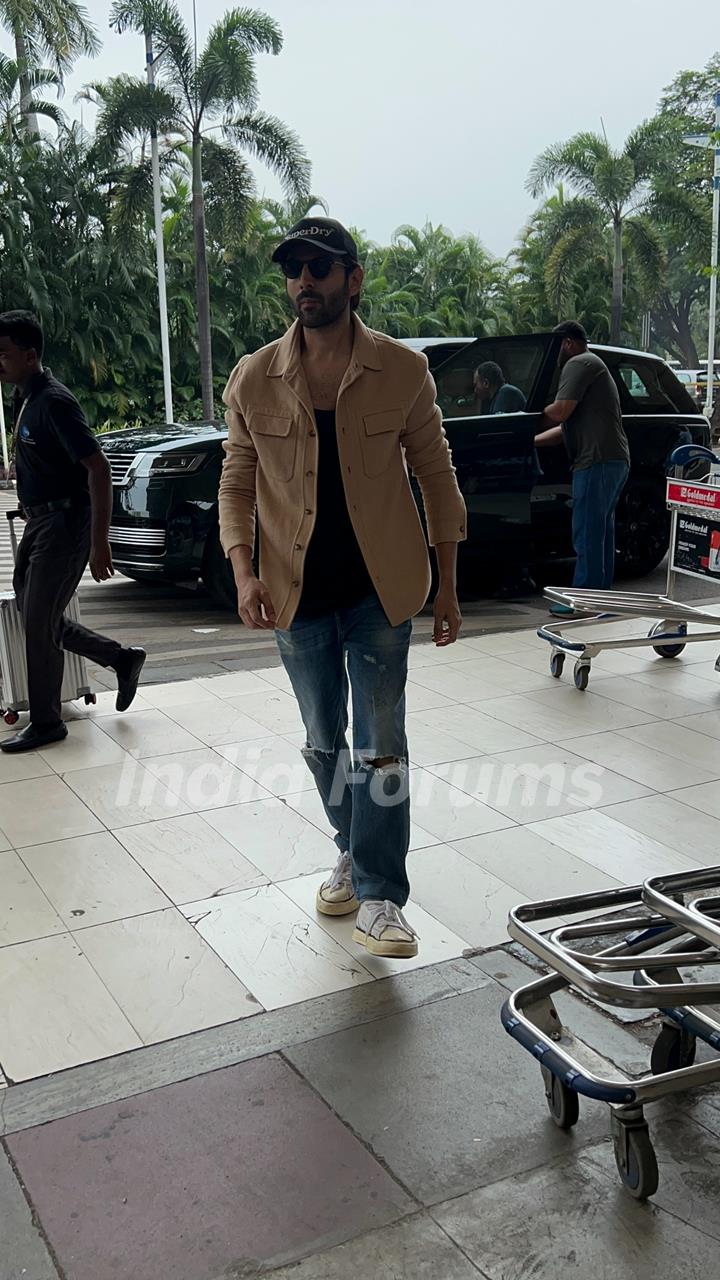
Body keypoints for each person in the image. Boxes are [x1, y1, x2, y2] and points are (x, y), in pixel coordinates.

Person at [219, 216, 467, 960]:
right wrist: (243, 569)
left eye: (320, 268)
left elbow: (437, 475)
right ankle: (351, 853)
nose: (305, 282)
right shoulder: (253, 376)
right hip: (296, 593)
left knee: (381, 746)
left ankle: (383, 894)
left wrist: (449, 586)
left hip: (379, 594)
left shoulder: (402, 371)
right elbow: (237, 480)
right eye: (294, 269)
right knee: (324, 741)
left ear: (353, 280)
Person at [0, 311, 145, 753]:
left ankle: (47, 722)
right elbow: (48, 459)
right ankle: (120, 658)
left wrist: (99, 543)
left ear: (29, 355)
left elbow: (97, 468)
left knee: (39, 622)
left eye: (3, 354)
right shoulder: (28, 397)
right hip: (42, 522)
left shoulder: (54, 401)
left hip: (65, 527)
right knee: (33, 613)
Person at [534, 321, 630, 616]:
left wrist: (526, 419)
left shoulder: (578, 363)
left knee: (587, 532)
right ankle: (602, 600)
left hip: (596, 460)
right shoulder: (593, 365)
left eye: (556, 346)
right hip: (612, 459)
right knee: (600, 533)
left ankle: (583, 602)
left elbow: (560, 411)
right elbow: (565, 427)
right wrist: (530, 440)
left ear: (567, 342)